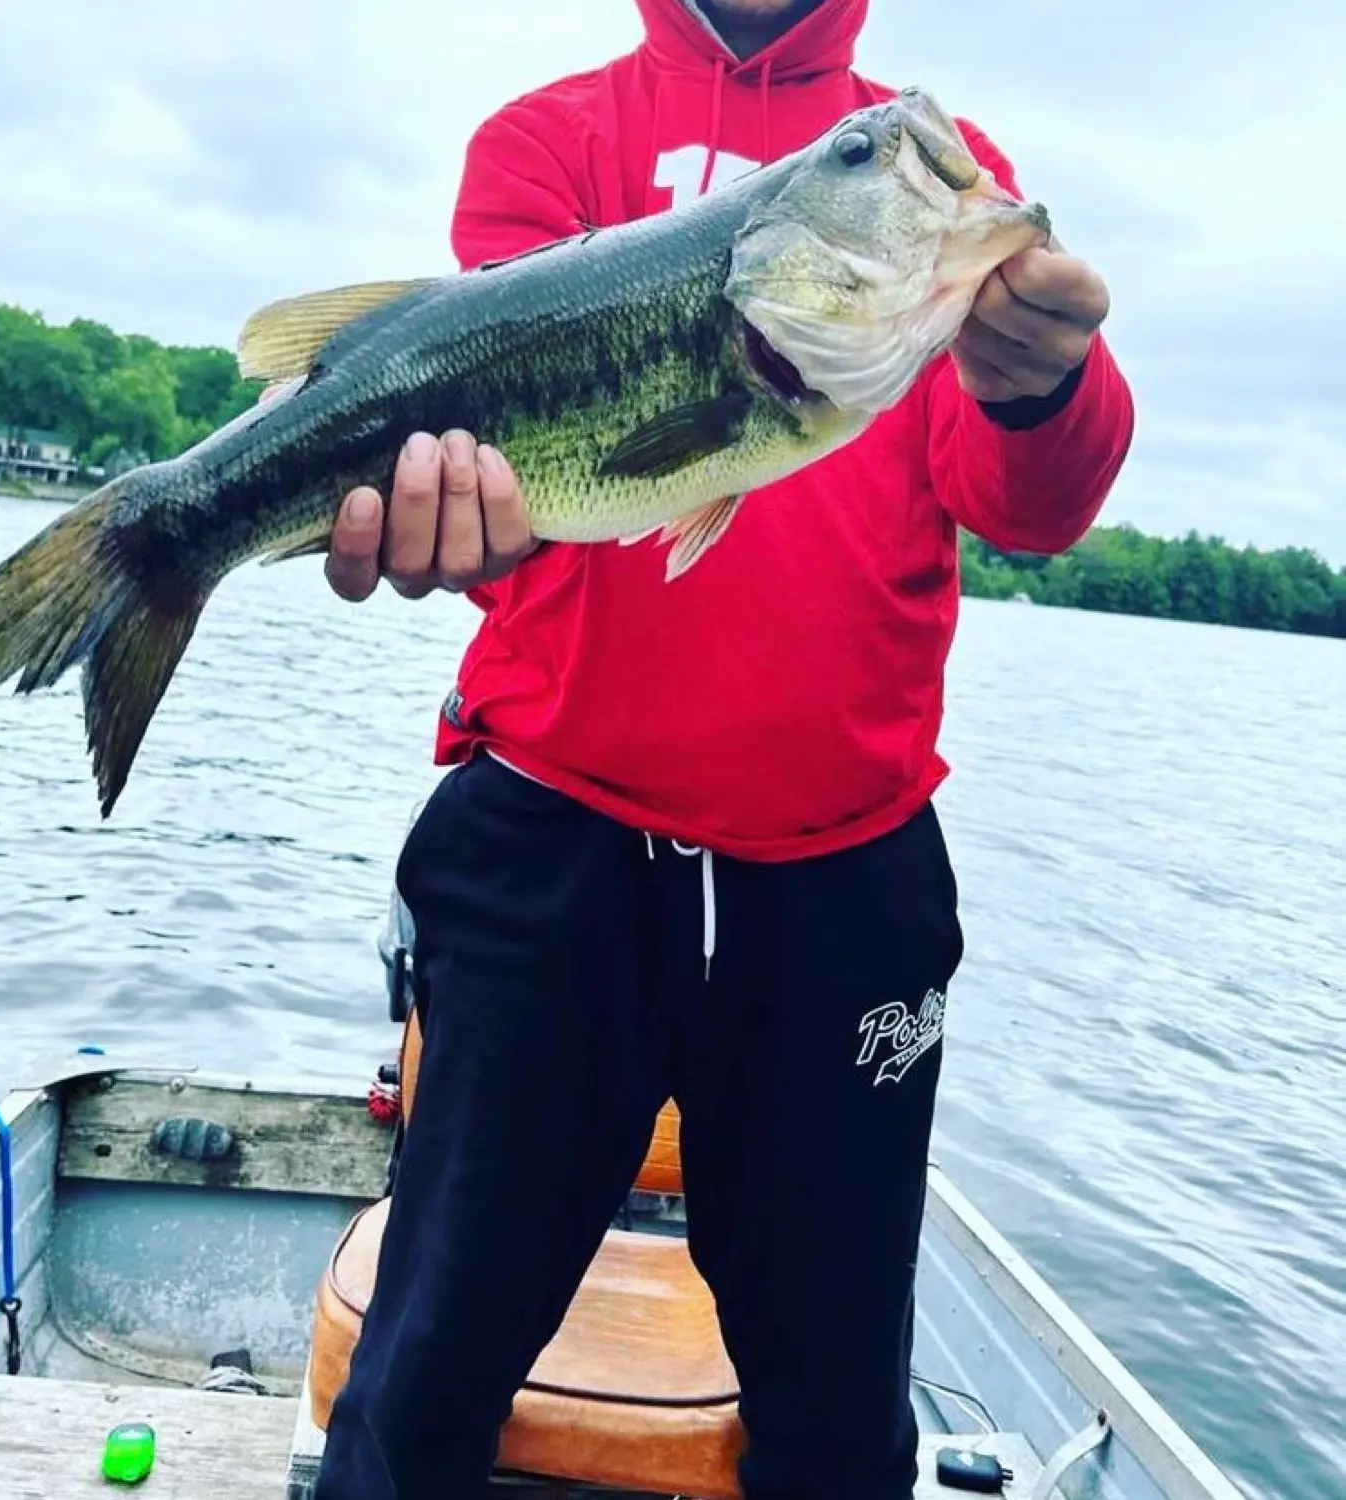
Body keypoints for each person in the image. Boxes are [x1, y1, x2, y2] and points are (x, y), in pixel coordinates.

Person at [313, 2, 1134, 1498]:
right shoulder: (548, 143)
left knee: (835, 1425)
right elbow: (523, 514)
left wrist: (1049, 388)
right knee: (423, 1380)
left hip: (846, 882)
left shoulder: (922, 172)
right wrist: (447, 530)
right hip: (547, 852)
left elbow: (1033, 506)